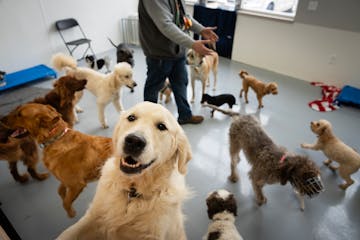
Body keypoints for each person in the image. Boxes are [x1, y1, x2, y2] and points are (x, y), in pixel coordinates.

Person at [138, 0, 218, 125]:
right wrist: (192, 44)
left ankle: (185, 115)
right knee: (154, 87)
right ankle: (148, 121)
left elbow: (184, 17)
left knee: (181, 83)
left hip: (178, 51)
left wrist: (201, 30)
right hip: (160, 53)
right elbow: (166, 25)